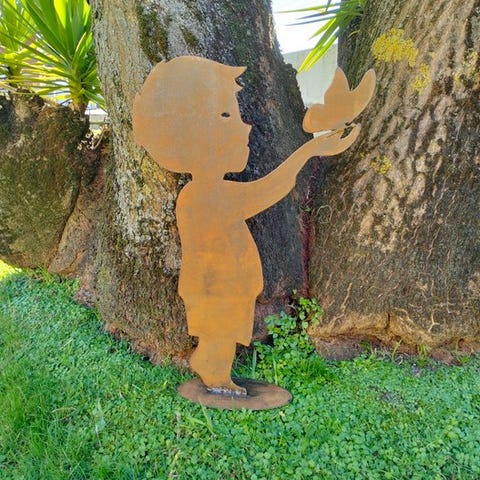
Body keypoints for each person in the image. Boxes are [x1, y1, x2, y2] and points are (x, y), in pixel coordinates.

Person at [133, 56, 359, 396]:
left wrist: (311, 150)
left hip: (226, 287)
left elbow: (264, 192)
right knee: (220, 334)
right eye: (226, 116)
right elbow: (266, 191)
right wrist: (309, 151)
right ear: (187, 132)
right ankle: (215, 375)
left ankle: (214, 369)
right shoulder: (201, 195)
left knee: (223, 333)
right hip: (213, 289)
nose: (245, 127)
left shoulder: (209, 192)